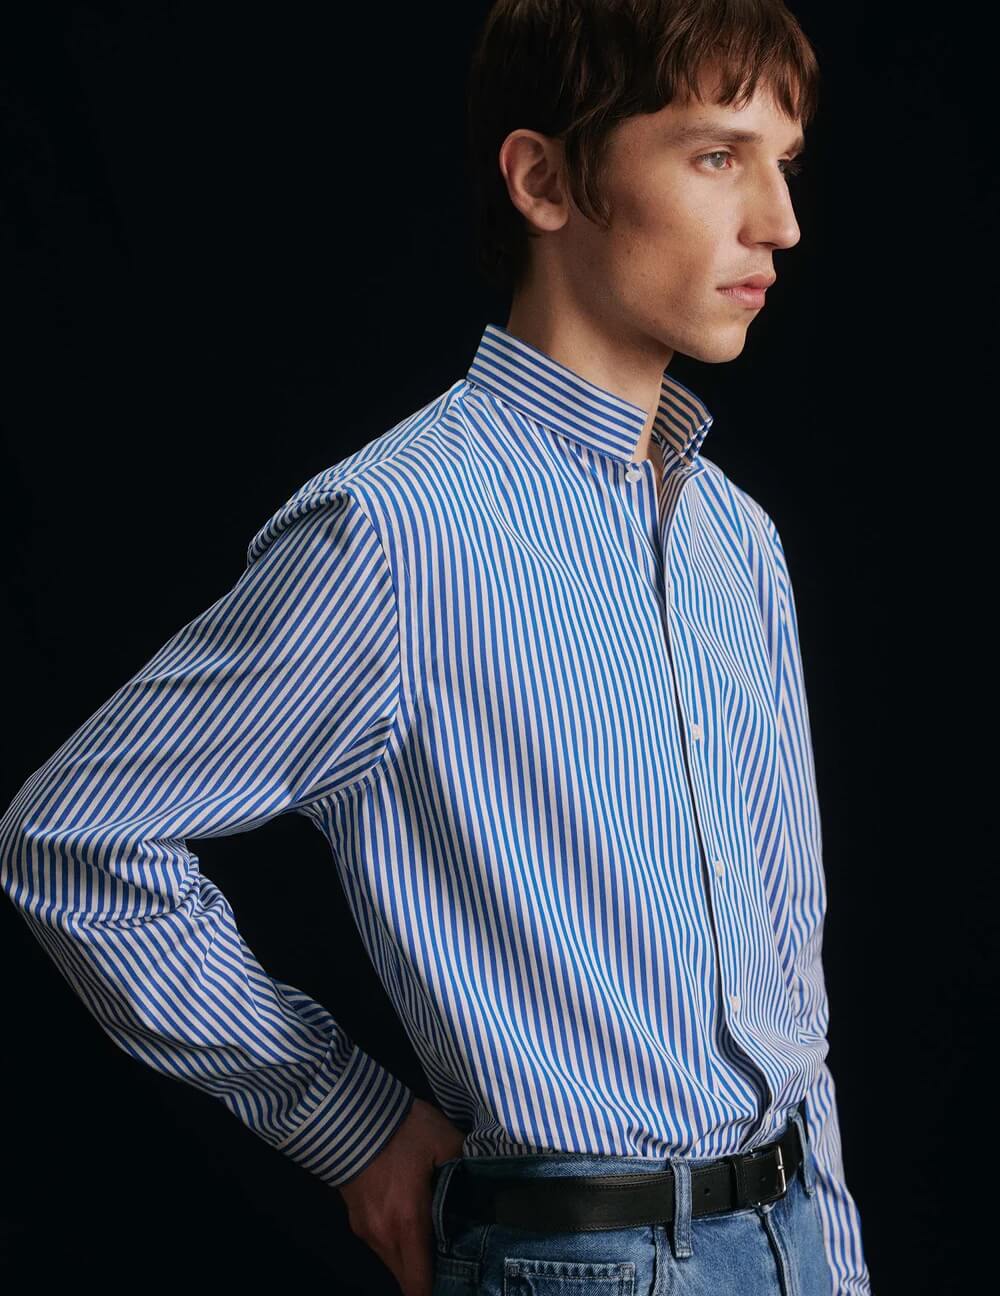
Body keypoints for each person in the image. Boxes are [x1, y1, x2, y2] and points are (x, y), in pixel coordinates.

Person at [0, 2, 873, 1294]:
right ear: (544, 180)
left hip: (796, 1232)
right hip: (585, 1260)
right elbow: (73, 838)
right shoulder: (395, 534)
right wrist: (353, 1125)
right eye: (715, 155)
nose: (780, 222)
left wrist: (835, 1257)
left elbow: (793, 1002)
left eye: (783, 163)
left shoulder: (738, 542)